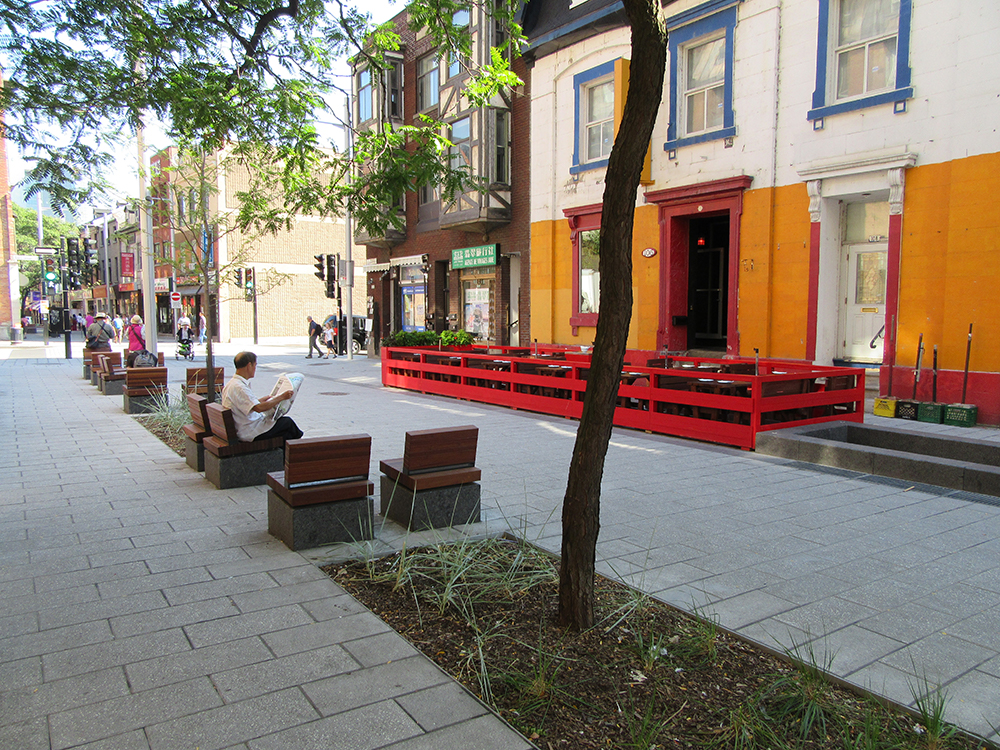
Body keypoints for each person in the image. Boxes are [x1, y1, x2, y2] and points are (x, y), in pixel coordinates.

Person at [222, 351, 303, 442]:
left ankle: (291, 452)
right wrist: (281, 397)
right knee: (287, 423)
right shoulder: (239, 387)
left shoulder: (232, 384)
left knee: (286, 432)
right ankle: (300, 450)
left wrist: (260, 400)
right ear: (249, 366)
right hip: (249, 431)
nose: (255, 369)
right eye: (255, 365)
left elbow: (247, 404)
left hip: (244, 427)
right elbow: (259, 408)